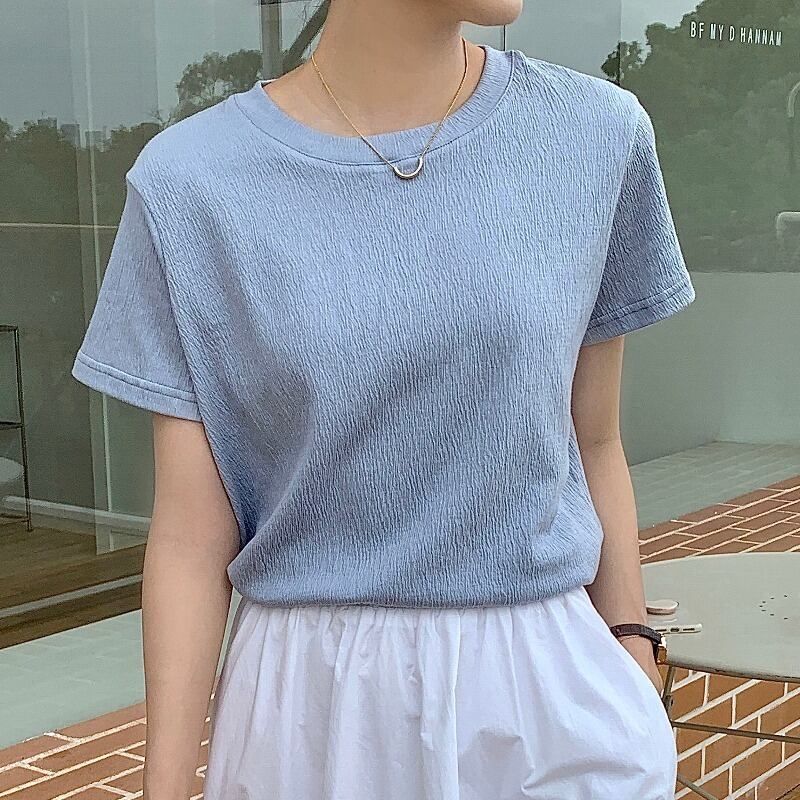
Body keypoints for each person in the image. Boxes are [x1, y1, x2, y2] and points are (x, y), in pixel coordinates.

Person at [71, 1, 696, 798]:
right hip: (312, 709)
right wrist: (164, 788)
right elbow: (193, 536)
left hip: (551, 686)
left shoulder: (595, 133)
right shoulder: (191, 181)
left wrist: (632, 646)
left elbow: (595, 440)